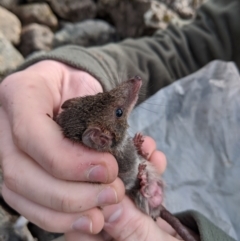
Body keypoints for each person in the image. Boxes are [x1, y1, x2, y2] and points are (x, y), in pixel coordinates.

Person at [0, 0, 239, 240]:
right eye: (119, 113)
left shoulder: (102, 136)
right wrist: (81, 67)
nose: (134, 85)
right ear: (100, 138)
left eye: (116, 109)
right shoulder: (100, 144)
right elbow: (192, 43)